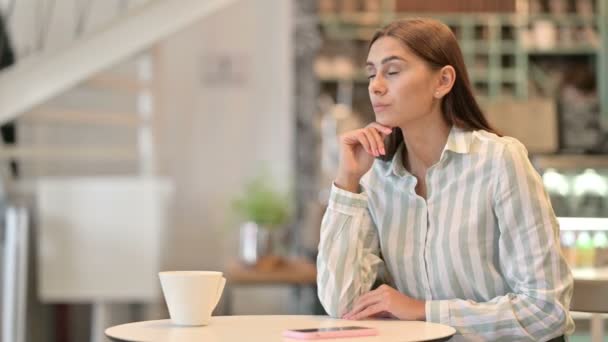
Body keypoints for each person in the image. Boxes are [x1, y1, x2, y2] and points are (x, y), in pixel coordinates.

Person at [316, 18, 574, 341]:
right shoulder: (376, 178)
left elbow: (546, 309)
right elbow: (342, 304)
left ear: (443, 81)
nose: (375, 86)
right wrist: (347, 182)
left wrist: (425, 310)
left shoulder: (499, 162)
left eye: (392, 71)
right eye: (371, 73)